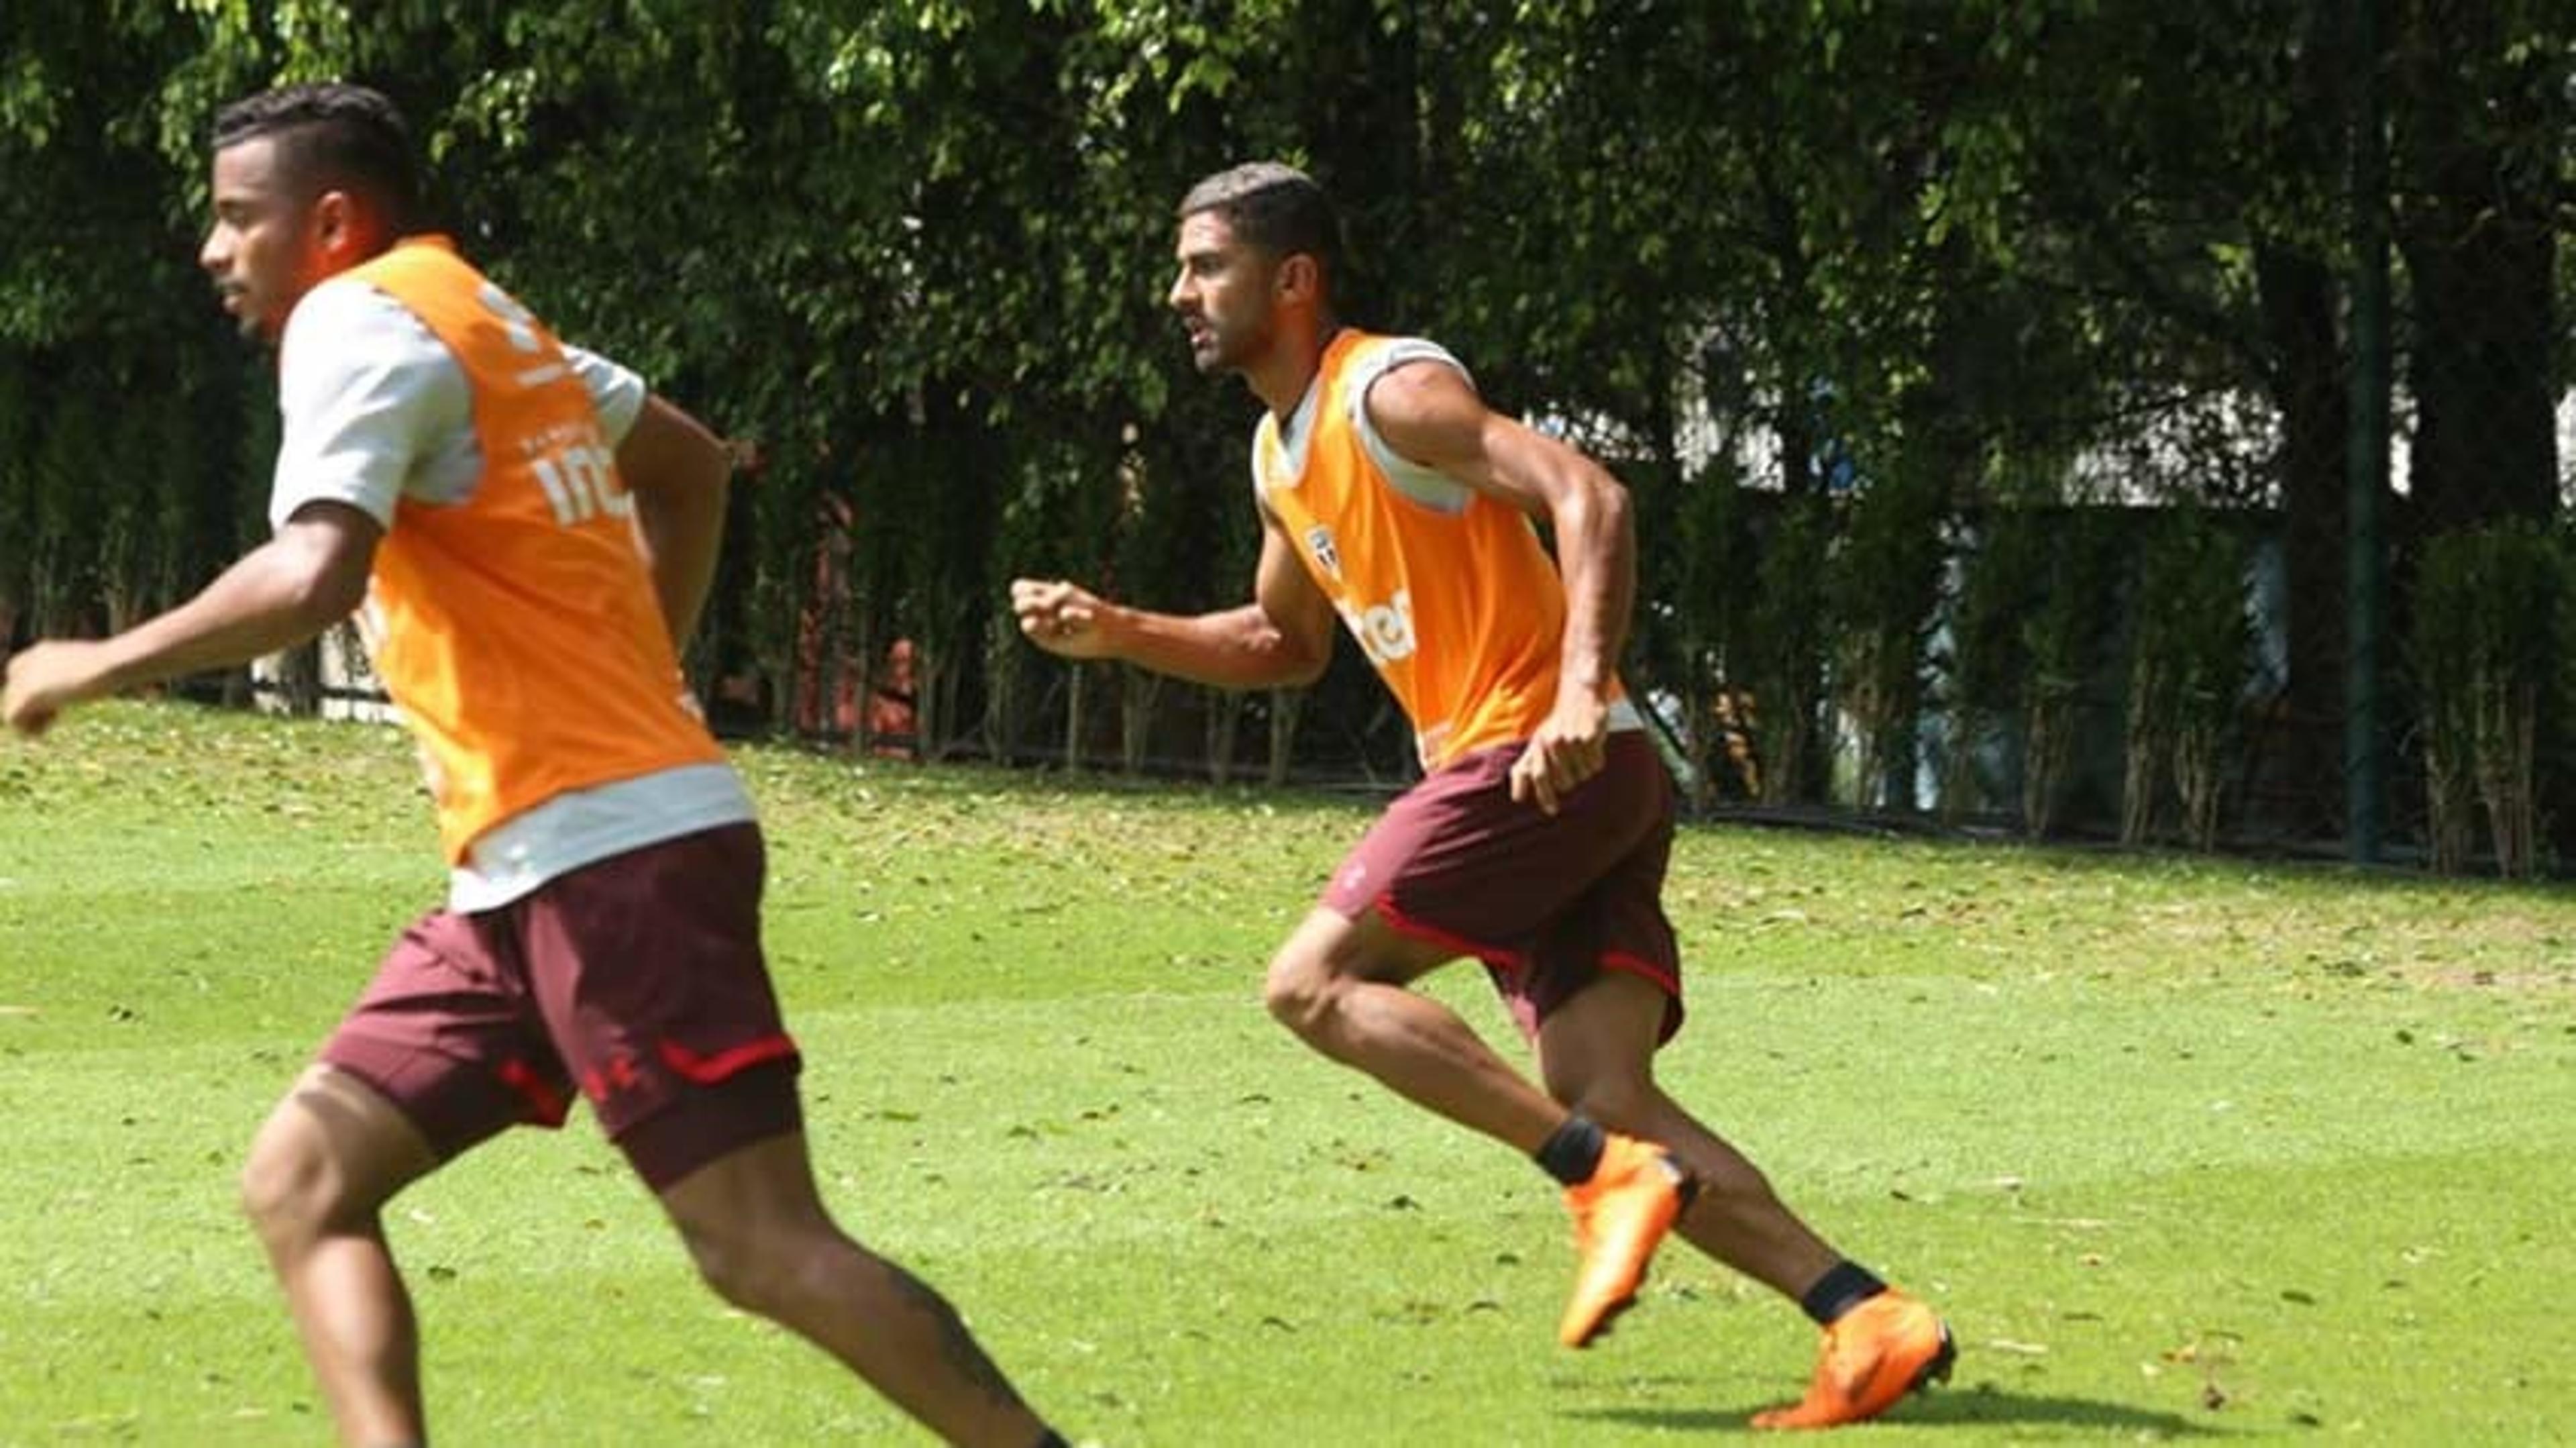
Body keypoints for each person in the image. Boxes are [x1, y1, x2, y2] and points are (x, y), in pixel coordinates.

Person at [1, 83, 1067, 1448]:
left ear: (330, 224)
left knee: (758, 1242)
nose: (215, 250)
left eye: (235, 218)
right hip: (527, 865)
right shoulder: (486, 318)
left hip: (604, 854)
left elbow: (316, 568)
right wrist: (653, 673)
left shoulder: (354, 320)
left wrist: (94, 660)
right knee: (304, 1177)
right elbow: (688, 468)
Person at [1011, 162, 1953, 1431]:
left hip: (1537, 753)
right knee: (1604, 1086)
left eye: (1205, 266)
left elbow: (1589, 495)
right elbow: (1285, 644)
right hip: (1581, 771)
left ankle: (1599, 1182)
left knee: (1313, 984)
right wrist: (1119, 628)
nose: (1178, 292)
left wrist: (1576, 691)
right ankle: (1863, 1313)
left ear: (1291, 280)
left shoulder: (1390, 391)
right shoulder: (1278, 449)